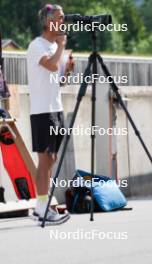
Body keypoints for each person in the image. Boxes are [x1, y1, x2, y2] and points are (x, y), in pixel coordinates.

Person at [27, 4, 69, 223]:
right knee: (44, 161)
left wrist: (68, 70)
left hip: (56, 109)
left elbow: (58, 79)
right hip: (42, 112)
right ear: (48, 21)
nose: (63, 22)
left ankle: (44, 206)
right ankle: (41, 207)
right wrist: (61, 48)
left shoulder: (55, 47)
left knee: (51, 159)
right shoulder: (37, 45)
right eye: (60, 18)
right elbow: (51, 66)